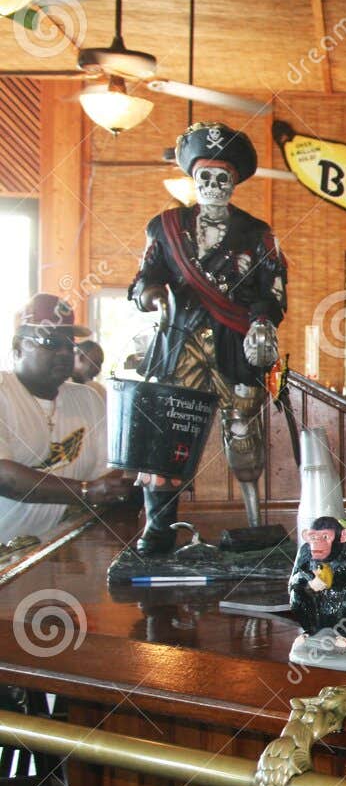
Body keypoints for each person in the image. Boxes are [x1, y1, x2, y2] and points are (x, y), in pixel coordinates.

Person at [129, 121, 287, 553]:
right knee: (167, 434)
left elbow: (274, 290)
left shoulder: (257, 233)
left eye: (223, 179)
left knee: (242, 431)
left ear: (233, 184)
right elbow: (145, 277)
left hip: (234, 344)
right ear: (193, 180)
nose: (215, 187)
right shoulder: (164, 228)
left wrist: (261, 323)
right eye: (206, 178)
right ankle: (158, 529)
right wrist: (150, 294)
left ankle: (255, 524)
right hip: (178, 344)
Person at [0, 295, 132, 542]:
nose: (64, 352)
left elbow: (112, 471)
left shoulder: (89, 399)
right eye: (50, 342)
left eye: (69, 343)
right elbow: (5, 477)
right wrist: (85, 491)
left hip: (67, 548)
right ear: (18, 347)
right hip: (6, 561)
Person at [72, 338, 106, 403]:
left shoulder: (99, 390)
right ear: (81, 358)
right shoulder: (62, 384)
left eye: (100, 364)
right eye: (96, 363)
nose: (99, 369)